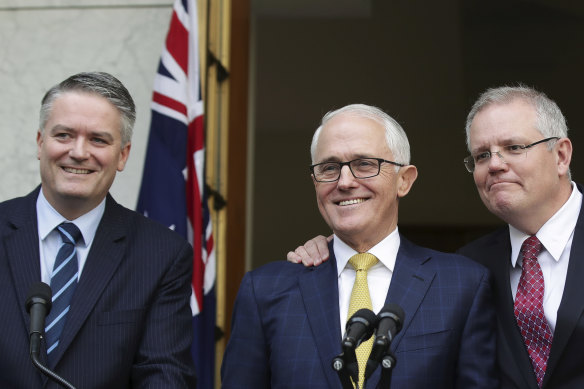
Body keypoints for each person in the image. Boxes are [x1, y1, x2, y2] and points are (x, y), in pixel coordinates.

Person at [290, 86, 583, 389]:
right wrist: (340, 247)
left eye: (514, 147)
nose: (494, 164)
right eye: (482, 155)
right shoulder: (472, 267)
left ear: (561, 155)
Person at [222, 104, 498, 388]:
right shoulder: (265, 290)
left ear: (404, 180)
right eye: (329, 168)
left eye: (364, 164)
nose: (344, 182)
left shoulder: (462, 284)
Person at [0, 72, 197, 388]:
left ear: (122, 155)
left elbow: (165, 376)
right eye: (63, 135)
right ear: (40, 143)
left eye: (98, 139)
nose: (78, 152)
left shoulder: (162, 255)